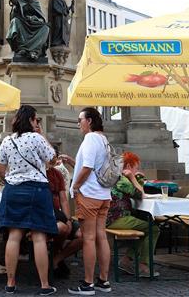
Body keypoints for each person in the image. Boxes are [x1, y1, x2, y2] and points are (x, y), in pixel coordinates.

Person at [0, 105, 57, 295]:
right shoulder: (37, 138)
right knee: (39, 237)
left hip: (13, 190)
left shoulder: (6, 141)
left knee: (14, 236)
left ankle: (11, 283)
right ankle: (44, 285)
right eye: (36, 120)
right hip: (37, 190)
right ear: (31, 120)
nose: (37, 122)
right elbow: (53, 160)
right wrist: (41, 133)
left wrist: (12, 181)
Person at [69, 107, 112, 296]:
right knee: (101, 236)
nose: (78, 124)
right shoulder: (103, 139)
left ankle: (88, 284)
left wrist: (75, 186)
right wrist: (73, 162)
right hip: (103, 195)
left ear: (90, 121)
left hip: (89, 195)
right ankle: (103, 280)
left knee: (88, 238)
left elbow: (87, 167)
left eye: (80, 120)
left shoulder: (90, 138)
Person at [106, 151, 159, 277]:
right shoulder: (122, 179)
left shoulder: (117, 176)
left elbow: (136, 191)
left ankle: (126, 260)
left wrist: (136, 178)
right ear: (129, 167)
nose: (137, 170)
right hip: (116, 219)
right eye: (136, 167)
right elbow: (141, 194)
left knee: (145, 229)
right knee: (154, 229)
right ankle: (143, 266)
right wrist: (134, 177)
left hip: (112, 217)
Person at [49, 151, 81, 279]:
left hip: (59, 215)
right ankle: (54, 256)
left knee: (84, 234)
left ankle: (55, 259)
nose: (52, 159)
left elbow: (63, 199)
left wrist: (68, 218)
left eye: (53, 156)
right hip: (45, 216)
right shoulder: (36, 173)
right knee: (61, 229)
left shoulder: (57, 173)